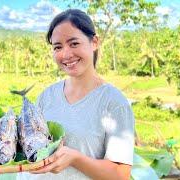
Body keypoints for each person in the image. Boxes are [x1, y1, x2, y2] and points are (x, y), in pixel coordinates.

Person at [17, 9, 135, 180]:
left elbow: (121, 175)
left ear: (94, 42)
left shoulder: (113, 103)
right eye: (58, 47)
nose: (65, 54)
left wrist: (75, 159)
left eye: (74, 44)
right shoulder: (47, 96)